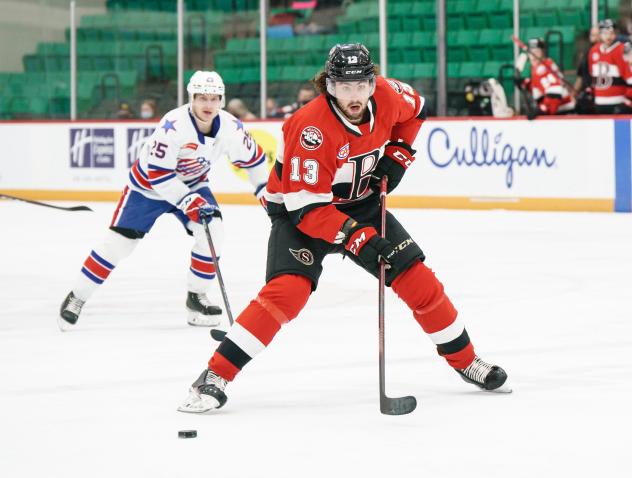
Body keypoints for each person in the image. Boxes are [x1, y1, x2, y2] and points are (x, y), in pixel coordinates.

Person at [177, 44, 510, 413]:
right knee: (287, 293)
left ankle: (467, 361)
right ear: (329, 86)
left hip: (361, 203)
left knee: (418, 280)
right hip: (299, 212)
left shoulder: (387, 95)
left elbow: (418, 110)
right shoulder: (311, 128)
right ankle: (214, 375)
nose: (354, 95)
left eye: (361, 85)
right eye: (344, 87)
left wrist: (399, 153)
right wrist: (357, 237)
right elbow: (308, 209)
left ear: (372, 83)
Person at [59, 71, 269, 330]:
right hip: (147, 190)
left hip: (193, 184)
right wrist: (188, 201)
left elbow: (255, 160)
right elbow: (158, 175)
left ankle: (196, 298)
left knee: (213, 231)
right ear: (191, 98)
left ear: (222, 100)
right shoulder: (174, 125)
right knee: (119, 245)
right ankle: (77, 296)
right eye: (202, 98)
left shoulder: (231, 128)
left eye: (214, 98)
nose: (208, 104)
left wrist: (265, 191)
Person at [520, 38, 575, 115]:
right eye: (531, 52)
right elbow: (541, 91)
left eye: (537, 51)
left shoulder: (543, 68)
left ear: (543, 52)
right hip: (560, 110)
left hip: (564, 112)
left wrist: (543, 108)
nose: (533, 55)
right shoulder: (538, 67)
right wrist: (527, 84)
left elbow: (555, 92)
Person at [588, 19, 632, 114]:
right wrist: (591, 92)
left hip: (618, 102)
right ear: (600, 34)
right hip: (599, 102)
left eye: (611, 33)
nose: (608, 36)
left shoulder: (622, 50)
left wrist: (628, 101)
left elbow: (630, 78)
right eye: (605, 33)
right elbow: (593, 76)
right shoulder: (593, 51)